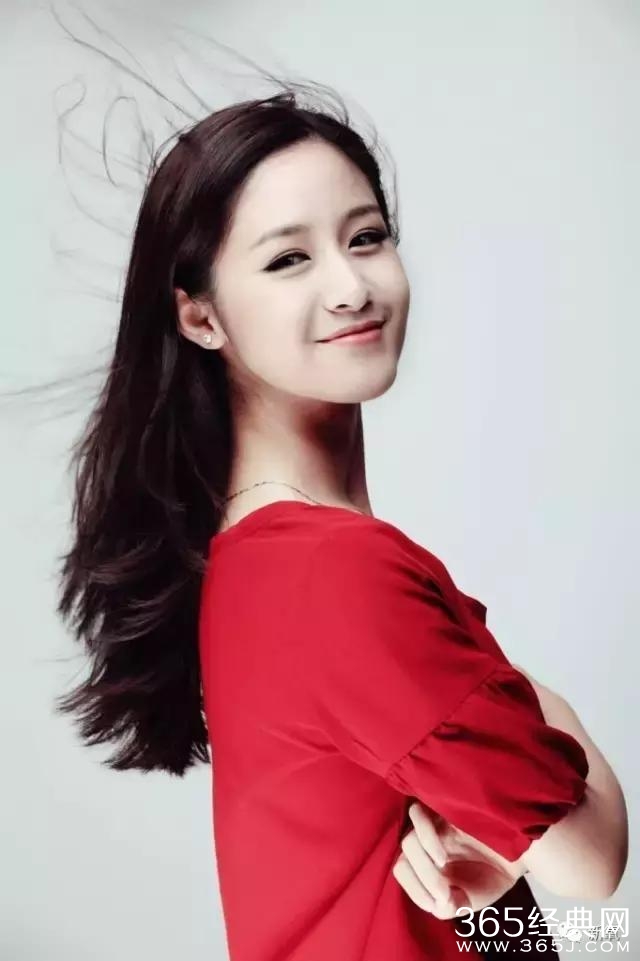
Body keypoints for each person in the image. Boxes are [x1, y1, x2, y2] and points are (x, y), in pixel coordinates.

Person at [55, 88, 628, 960]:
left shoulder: (257, 564)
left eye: (366, 238)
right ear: (200, 315)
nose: (352, 286)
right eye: (289, 259)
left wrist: (494, 900)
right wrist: (542, 703)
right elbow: (594, 863)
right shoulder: (332, 573)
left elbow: (509, 939)